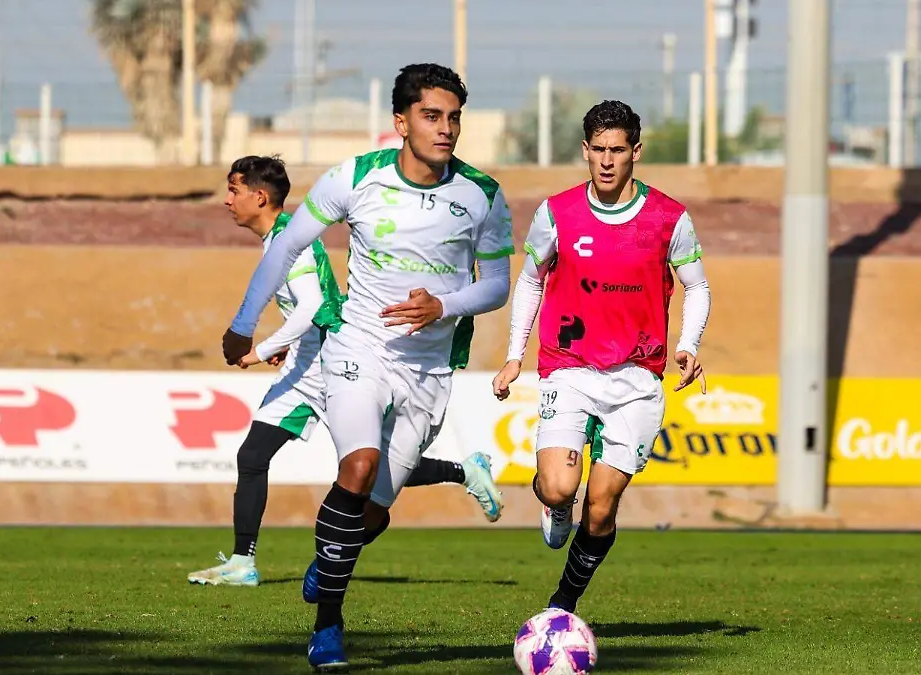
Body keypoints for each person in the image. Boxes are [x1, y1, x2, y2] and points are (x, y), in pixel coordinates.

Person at [219, 64, 514, 670]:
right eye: (431, 116)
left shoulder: (482, 194)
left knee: (374, 511)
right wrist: (244, 322)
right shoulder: (354, 177)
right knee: (358, 466)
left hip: (428, 369)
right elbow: (287, 244)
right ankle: (328, 626)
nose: (446, 128)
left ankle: (326, 565)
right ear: (401, 122)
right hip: (359, 348)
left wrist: (443, 305)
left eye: (454, 117)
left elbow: (496, 286)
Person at [189, 155, 505, 590]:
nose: (227, 200)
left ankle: (457, 475)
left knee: (361, 469)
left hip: (328, 364)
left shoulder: (288, 240)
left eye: (234, 190)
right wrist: (285, 342)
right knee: (265, 456)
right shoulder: (279, 239)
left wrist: (262, 349)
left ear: (259, 197)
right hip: (309, 360)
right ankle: (244, 562)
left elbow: (313, 305)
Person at [491, 100, 711, 614]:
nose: (607, 160)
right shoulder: (557, 213)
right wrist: (514, 355)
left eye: (617, 150)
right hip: (570, 368)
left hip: (637, 377)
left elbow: (698, 287)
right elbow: (530, 281)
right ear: (585, 151)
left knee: (602, 507)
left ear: (636, 152)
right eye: (598, 150)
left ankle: (563, 605)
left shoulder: (669, 218)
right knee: (558, 487)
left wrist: (688, 345)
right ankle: (555, 503)